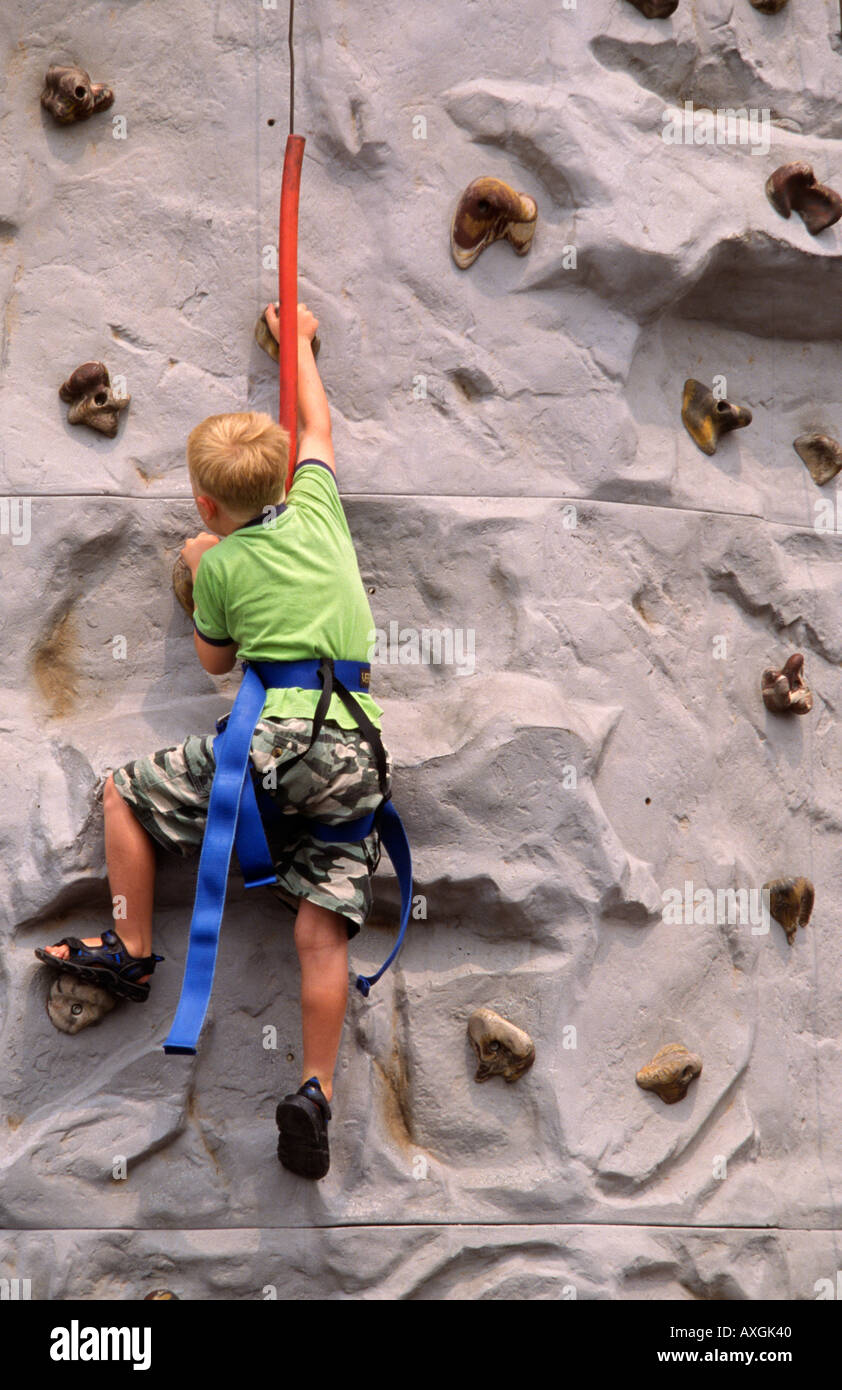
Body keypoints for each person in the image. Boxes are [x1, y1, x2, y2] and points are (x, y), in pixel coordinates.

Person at [35, 302, 391, 1180]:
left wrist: (198, 570)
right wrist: (299, 344)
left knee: (124, 793)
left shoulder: (220, 562)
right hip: (358, 753)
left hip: (274, 751)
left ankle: (131, 950)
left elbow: (213, 660)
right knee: (322, 934)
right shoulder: (318, 508)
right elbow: (316, 422)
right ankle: (316, 1088)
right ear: (284, 481)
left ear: (204, 501)